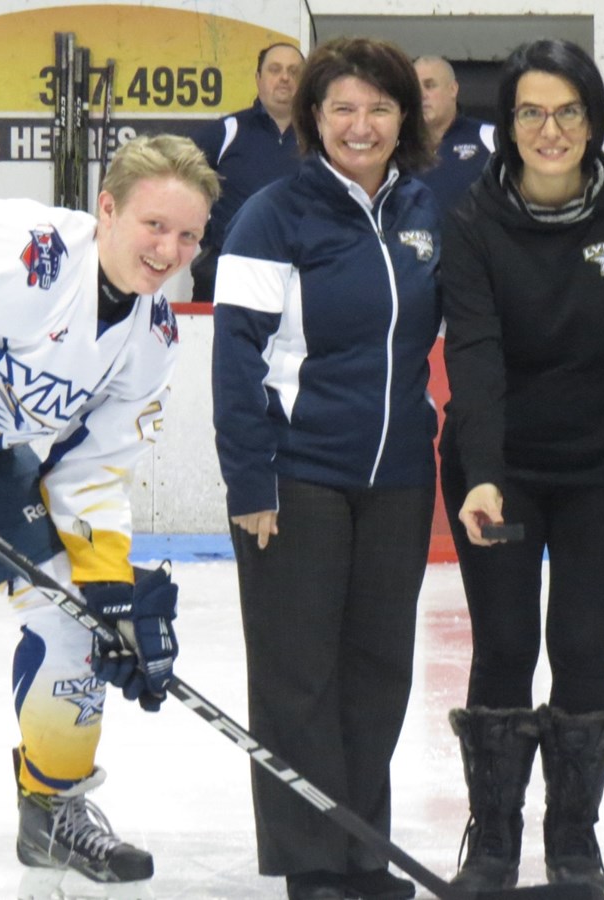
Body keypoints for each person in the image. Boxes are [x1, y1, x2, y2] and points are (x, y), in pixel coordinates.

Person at [0, 134, 219, 900]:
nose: (169, 249)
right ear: (106, 209)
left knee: (79, 618)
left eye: (188, 235)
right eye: (153, 225)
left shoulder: (153, 335)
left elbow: (93, 469)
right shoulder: (26, 253)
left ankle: (53, 808)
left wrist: (113, 591)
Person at [437, 38, 604, 896]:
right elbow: (473, 352)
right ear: (508, 125)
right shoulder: (471, 219)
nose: (551, 129)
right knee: (504, 646)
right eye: (532, 112)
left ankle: (574, 844)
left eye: (568, 111)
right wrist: (480, 471)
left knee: (583, 646)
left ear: (594, 119)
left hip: (600, 471)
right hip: (497, 466)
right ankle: (496, 845)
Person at [210, 36, 440, 900]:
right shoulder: (274, 213)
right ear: (312, 116)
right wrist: (251, 483)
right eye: (342, 106)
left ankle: (360, 853)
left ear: (404, 119)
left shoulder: (424, 211)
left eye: (380, 107)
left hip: (398, 478)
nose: (361, 123)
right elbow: (234, 358)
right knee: (297, 675)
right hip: (297, 475)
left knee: (378, 672)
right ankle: (311, 863)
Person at [188, 42, 305, 302]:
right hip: (226, 273)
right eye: (275, 70)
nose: (285, 78)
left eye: (294, 72)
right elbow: (175, 180)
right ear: (258, 79)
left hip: (298, 276)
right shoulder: (226, 132)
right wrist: (203, 236)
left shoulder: (322, 139)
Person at [413, 54, 495, 212]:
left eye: (429, 86)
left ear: (453, 89)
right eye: (415, 88)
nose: (421, 95)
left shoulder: (489, 137)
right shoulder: (399, 148)